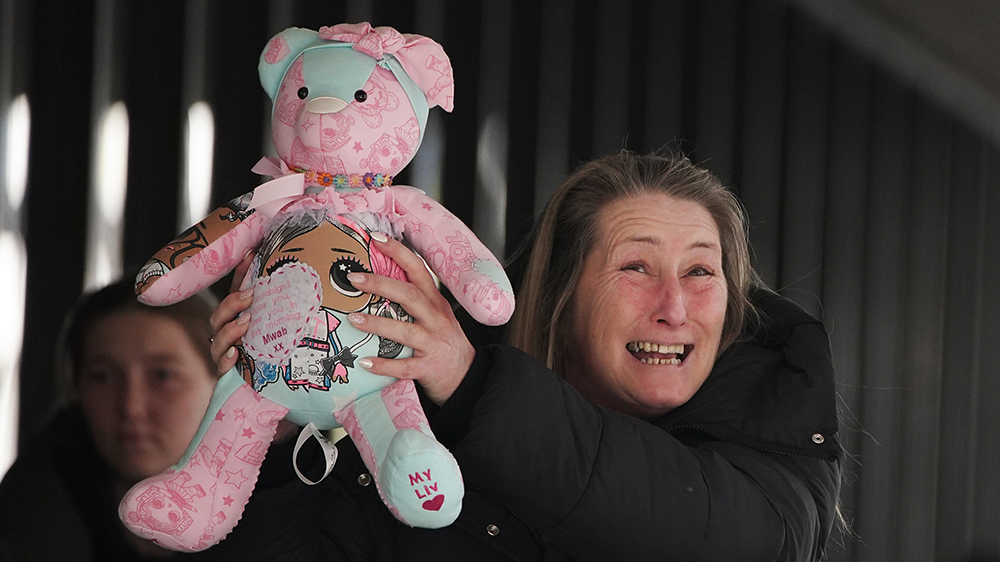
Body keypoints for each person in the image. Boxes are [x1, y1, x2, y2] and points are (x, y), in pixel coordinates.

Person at [209, 150, 843, 561]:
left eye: (701, 271)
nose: (674, 306)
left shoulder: (774, 436)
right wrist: (284, 422)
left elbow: (700, 533)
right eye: (635, 266)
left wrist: (474, 387)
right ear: (561, 299)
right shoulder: (409, 426)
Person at [0, 279, 220, 561]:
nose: (131, 407)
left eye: (162, 375)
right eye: (102, 377)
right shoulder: (32, 506)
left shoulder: (280, 505)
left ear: (221, 384)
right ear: (76, 390)